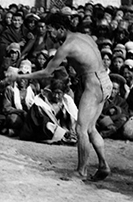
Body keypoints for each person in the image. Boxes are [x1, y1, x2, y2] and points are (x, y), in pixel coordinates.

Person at [6, 13, 113, 181]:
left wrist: (19, 77)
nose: (50, 35)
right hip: (105, 81)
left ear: (61, 29)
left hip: (93, 85)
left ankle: (81, 171)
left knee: (81, 129)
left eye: (52, 31)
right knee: (91, 128)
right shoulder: (85, 37)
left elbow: (47, 72)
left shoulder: (67, 47)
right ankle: (103, 165)